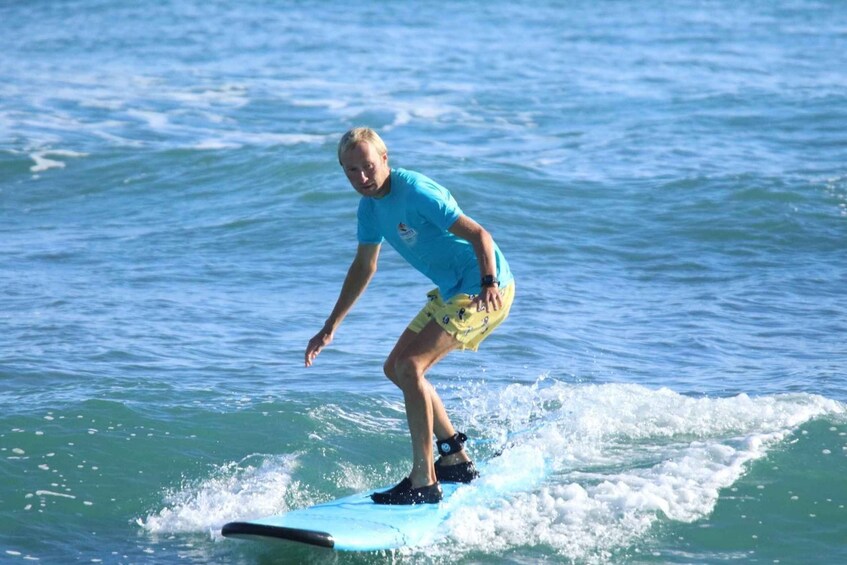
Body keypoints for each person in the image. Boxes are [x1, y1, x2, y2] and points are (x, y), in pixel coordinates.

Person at [304, 127, 514, 505]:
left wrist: (488, 282)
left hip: (484, 287)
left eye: (368, 166)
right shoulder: (369, 208)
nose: (362, 178)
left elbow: (480, 234)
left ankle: (424, 479)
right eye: (351, 171)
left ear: (385, 159)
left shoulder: (415, 191)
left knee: (411, 367)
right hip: (454, 290)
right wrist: (330, 325)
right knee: (395, 367)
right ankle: (454, 456)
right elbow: (364, 266)